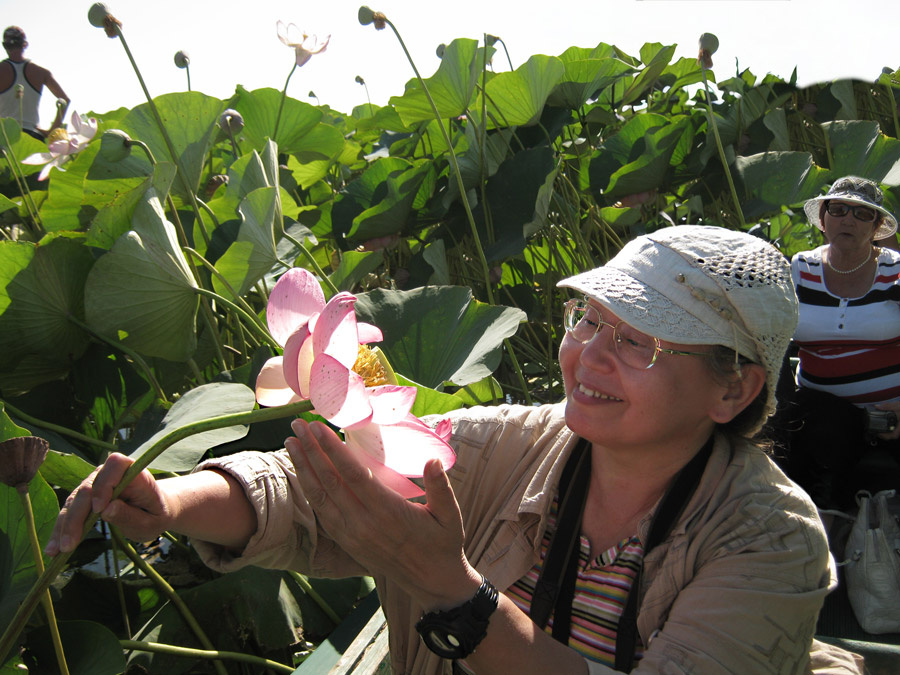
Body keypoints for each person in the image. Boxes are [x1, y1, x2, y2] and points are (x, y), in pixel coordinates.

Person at [47, 226, 862, 674]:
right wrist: (170, 500)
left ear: (734, 390)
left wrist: (455, 595)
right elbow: (308, 490)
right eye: (589, 320)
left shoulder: (773, 540)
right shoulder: (516, 443)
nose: (587, 355)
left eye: (639, 341)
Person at [783, 176, 900, 510]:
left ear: (876, 227)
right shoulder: (800, 268)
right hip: (822, 413)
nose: (848, 219)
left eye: (862, 213)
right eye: (838, 210)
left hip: (892, 410)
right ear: (823, 219)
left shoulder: (895, 271)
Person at [0, 26, 69, 141]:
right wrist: (51, 131)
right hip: (33, 135)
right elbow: (65, 100)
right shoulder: (42, 72)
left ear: (4, 45)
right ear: (25, 44)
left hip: (4, 136)